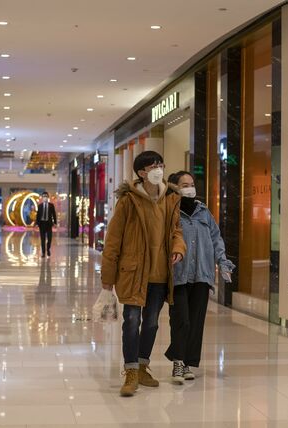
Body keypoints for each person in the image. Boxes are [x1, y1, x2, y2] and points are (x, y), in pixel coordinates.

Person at [101, 151, 186, 397]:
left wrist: (179, 248)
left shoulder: (171, 198)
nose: (159, 169)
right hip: (133, 273)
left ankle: (142, 365)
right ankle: (130, 373)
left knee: (150, 324)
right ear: (141, 172)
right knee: (131, 323)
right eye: (153, 166)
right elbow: (113, 241)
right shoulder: (128, 201)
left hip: (160, 273)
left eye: (161, 164)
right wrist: (108, 279)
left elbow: (176, 230)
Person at [164, 171, 234, 384]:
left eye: (191, 183)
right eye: (184, 184)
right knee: (181, 320)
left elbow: (216, 238)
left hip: (202, 274)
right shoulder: (170, 211)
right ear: (175, 187)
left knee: (195, 322)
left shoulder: (204, 212)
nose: (189, 187)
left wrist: (223, 262)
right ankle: (177, 361)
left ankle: (187, 363)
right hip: (179, 275)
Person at [37, 192, 57, 258]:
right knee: (42, 239)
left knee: (49, 239)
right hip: (42, 224)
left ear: (48, 197)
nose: (45, 198)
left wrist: (55, 223)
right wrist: (37, 224)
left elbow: (54, 215)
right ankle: (43, 252)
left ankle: (48, 249)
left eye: (46, 196)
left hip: (49, 224)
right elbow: (38, 216)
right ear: (42, 198)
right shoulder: (40, 206)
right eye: (43, 196)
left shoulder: (51, 205)